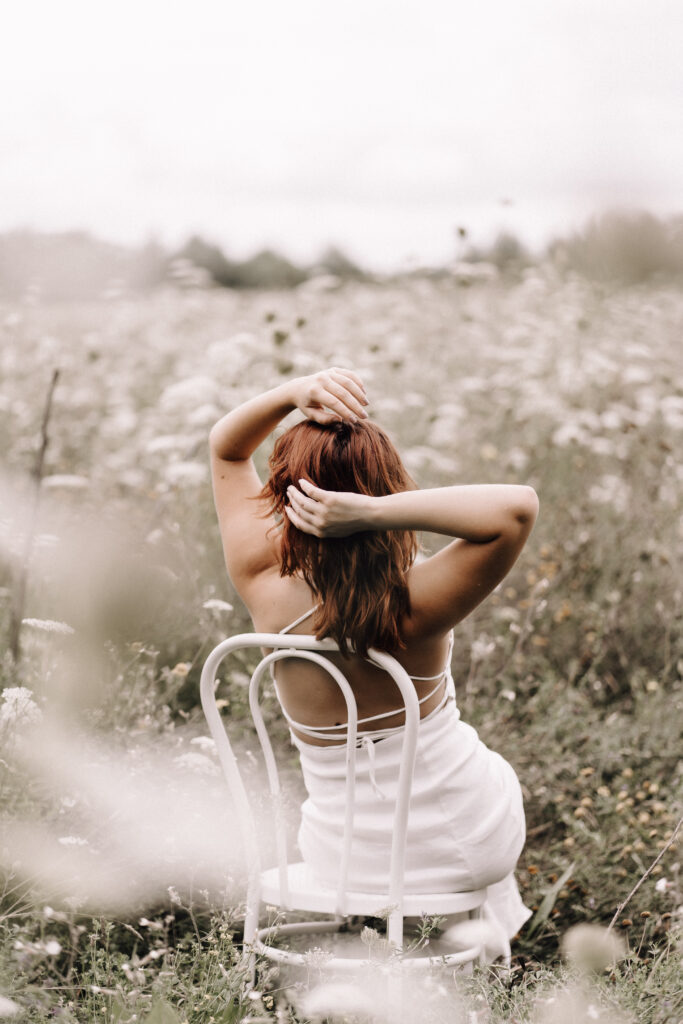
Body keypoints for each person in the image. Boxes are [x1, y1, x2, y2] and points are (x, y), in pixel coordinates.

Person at [209, 367, 539, 950]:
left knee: (461, 784)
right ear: (385, 488)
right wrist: (372, 514)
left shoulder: (258, 578)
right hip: (464, 839)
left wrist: (291, 392)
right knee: (481, 774)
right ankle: (480, 948)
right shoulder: (415, 603)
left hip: (343, 858)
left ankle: (461, 944)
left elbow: (227, 448)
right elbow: (517, 508)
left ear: (286, 495)